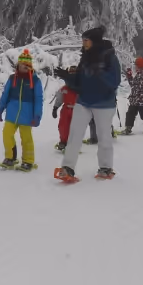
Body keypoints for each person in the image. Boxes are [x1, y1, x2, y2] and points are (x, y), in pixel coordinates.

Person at [53, 26, 121, 181]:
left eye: (86, 40)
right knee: (74, 134)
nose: (83, 43)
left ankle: (105, 167)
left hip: (104, 103)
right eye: (83, 40)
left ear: (94, 41)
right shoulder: (86, 56)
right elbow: (79, 83)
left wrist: (100, 73)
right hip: (84, 101)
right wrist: (67, 77)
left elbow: (115, 81)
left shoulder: (109, 57)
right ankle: (67, 168)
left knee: (104, 136)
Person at [0, 49, 43, 172]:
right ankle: (10, 157)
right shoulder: (12, 78)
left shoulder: (35, 80)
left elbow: (38, 99)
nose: (25, 67)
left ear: (30, 66)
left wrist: (37, 115)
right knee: (7, 134)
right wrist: (0, 109)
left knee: (26, 138)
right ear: (18, 65)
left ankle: (28, 161)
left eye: (27, 65)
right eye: (23, 64)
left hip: (27, 115)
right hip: (12, 113)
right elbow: (5, 94)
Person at [122, 57, 143, 134]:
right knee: (131, 113)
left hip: (141, 100)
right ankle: (128, 128)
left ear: (139, 66)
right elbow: (134, 85)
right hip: (136, 99)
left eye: (136, 65)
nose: (135, 67)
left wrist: (129, 76)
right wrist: (130, 76)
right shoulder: (141, 74)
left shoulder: (142, 75)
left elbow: (134, 86)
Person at [52, 66, 77, 152]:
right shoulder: (64, 89)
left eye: (74, 73)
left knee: (75, 127)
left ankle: (74, 143)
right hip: (66, 109)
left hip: (77, 110)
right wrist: (55, 108)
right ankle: (63, 142)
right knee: (63, 126)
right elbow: (59, 98)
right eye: (71, 73)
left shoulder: (81, 88)